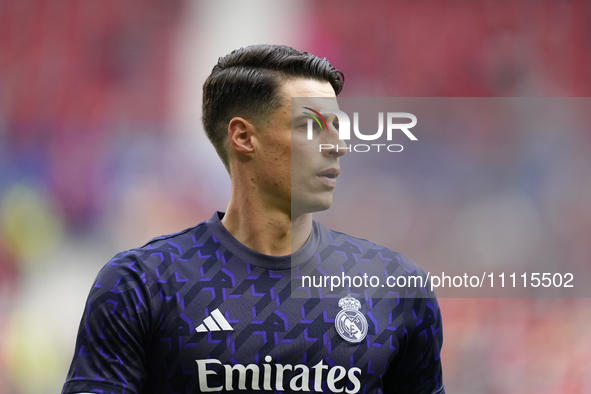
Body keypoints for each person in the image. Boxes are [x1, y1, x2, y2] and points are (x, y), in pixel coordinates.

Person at [62, 44, 444, 394]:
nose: (338, 146)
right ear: (243, 137)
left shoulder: (396, 289)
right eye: (311, 126)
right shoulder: (142, 285)